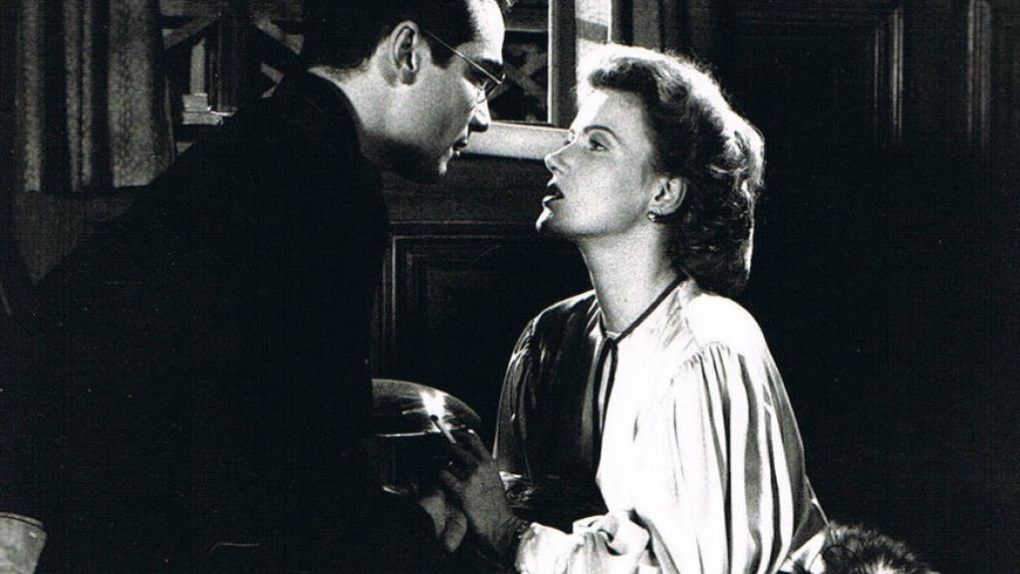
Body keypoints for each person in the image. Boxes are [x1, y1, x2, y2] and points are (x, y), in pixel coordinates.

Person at [1, 0, 506, 571]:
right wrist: (417, 524)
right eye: (481, 77)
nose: (484, 118)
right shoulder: (328, 185)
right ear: (407, 51)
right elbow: (302, 479)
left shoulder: (268, 137)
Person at [434, 45, 828, 573]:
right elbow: (506, 509)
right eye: (570, 138)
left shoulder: (707, 347)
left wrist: (511, 534)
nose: (556, 158)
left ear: (664, 193)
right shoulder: (549, 337)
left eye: (596, 144)